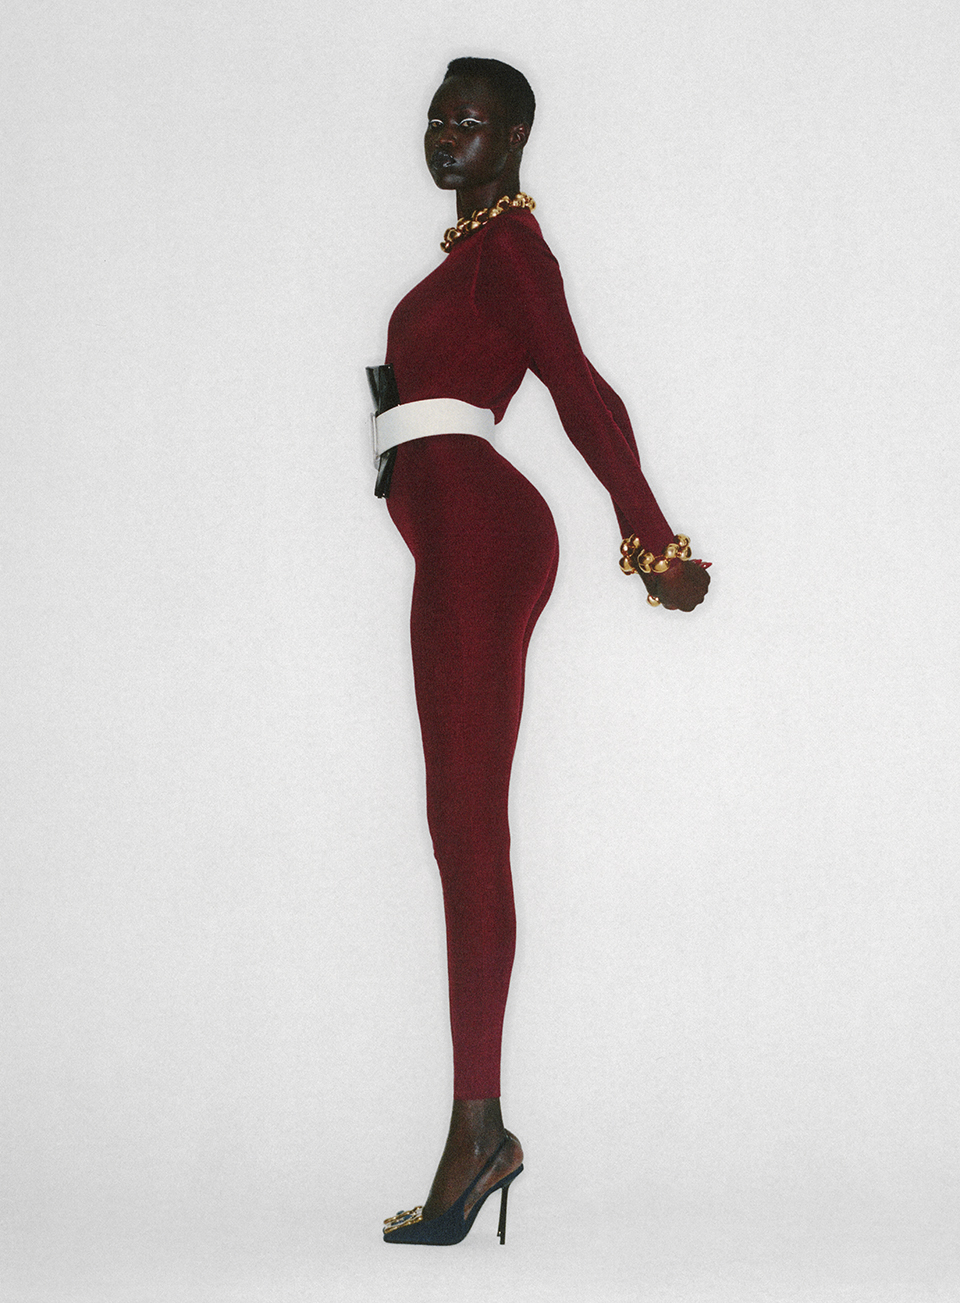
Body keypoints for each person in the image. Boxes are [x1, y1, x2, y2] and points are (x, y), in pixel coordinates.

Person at [375, 57, 710, 1246]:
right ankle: (479, 1126)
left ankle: (478, 1130)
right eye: (437, 117)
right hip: (453, 537)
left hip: (480, 537)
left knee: (467, 825)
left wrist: (654, 542)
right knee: (455, 823)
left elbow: (578, 389)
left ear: (516, 135)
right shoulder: (468, 256)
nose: (446, 135)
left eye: (471, 120)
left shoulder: (512, 249)